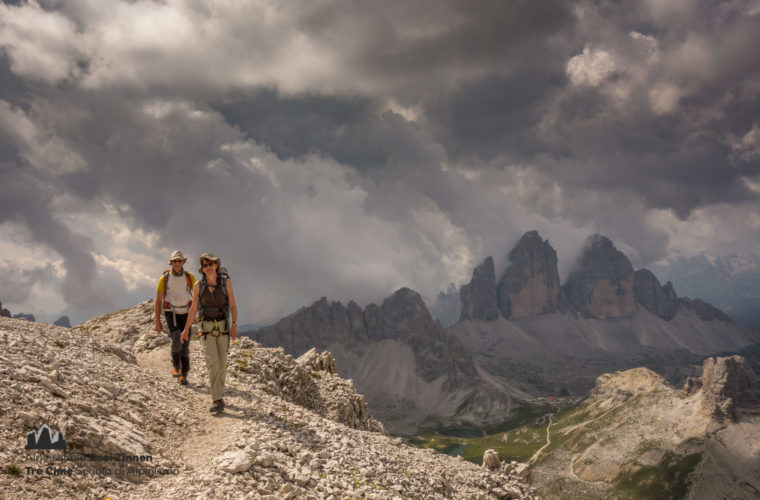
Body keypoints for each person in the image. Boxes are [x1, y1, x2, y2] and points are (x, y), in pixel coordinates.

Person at [181, 252, 238, 413]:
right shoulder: (198, 285)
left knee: (222, 364)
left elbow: (233, 305)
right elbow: (193, 309)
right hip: (205, 328)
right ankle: (217, 399)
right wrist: (186, 330)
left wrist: (234, 324)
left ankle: (219, 394)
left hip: (223, 327)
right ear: (202, 268)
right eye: (205, 265)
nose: (208, 268)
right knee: (212, 362)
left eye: (211, 264)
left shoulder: (225, 282)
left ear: (216, 266)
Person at [154, 250, 196, 385]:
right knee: (177, 337)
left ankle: (184, 374)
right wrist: (157, 321)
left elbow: (197, 296)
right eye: (174, 261)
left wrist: (199, 312)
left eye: (179, 260)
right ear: (171, 263)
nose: (177, 263)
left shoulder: (190, 277)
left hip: (186, 312)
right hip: (170, 311)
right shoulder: (165, 278)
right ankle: (176, 366)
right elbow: (158, 300)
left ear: (183, 262)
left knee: (185, 342)